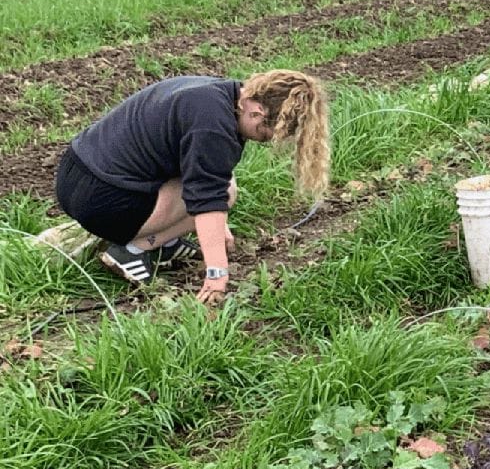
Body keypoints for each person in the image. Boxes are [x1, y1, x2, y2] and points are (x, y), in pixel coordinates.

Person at [54, 71, 330, 304]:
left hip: (78, 173)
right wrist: (217, 273)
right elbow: (207, 198)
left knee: (223, 184)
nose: (268, 140)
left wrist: (215, 226)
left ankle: (164, 243)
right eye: (268, 133)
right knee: (224, 193)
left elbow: (200, 164)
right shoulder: (213, 125)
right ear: (257, 112)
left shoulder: (219, 94)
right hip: (99, 198)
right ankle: (131, 250)